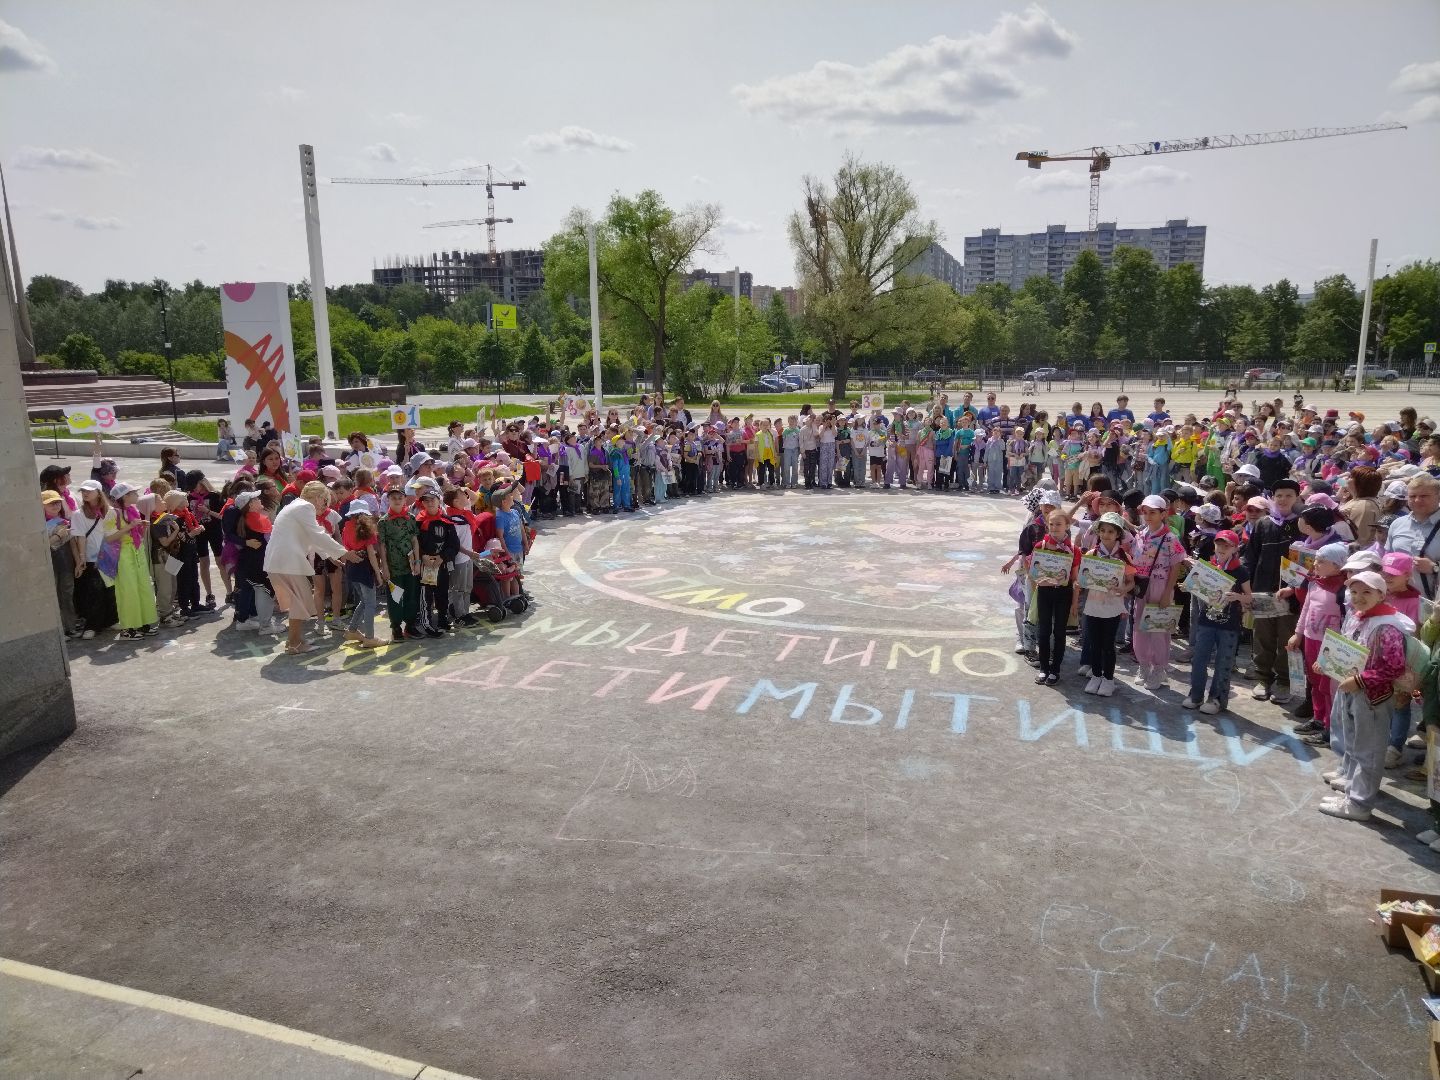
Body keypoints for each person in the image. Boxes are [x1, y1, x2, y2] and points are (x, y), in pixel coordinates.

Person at [1319, 571, 1412, 822]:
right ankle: (1352, 791)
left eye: (1367, 592)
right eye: (1355, 591)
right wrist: (1327, 662)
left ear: (1382, 595)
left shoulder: (1387, 626)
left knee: (1368, 751)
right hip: (1353, 692)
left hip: (1372, 697)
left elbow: (1393, 667)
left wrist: (1359, 680)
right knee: (1353, 743)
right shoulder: (1361, 617)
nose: (1358, 597)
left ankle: (1359, 804)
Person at [263, 481, 358, 655]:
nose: (324, 506)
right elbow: (317, 535)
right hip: (287, 562)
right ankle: (294, 644)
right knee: (301, 602)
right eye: (324, 501)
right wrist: (344, 553)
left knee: (299, 602)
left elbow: (313, 540)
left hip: (280, 561)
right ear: (318, 497)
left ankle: (296, 641)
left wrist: (331, 556)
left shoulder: (296, 506)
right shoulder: (305, 507)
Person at [1183, 529, 1251, 714]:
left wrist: (1236, 596)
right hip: (1206, 621)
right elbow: (1199, 588)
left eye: (1226, 545)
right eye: (1219, 544)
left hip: (1229, 625)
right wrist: (1189, 586)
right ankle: (1195, 695)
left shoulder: (1240, 570)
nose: (1221, 548)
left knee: (1223, 662)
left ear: (1235, 548)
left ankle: (1216, 699)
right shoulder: (1209, 567)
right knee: (1199, 659)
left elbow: (1249, 598)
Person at [340, 504, 386, 648]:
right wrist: (378, 574)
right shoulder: (367, 530)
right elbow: (371, 555)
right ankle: (370, 637)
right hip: (364, 569)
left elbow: (345, 548)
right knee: (371, 603)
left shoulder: (346, 527)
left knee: (364, 601)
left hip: (351, 569)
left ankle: (352, 630)